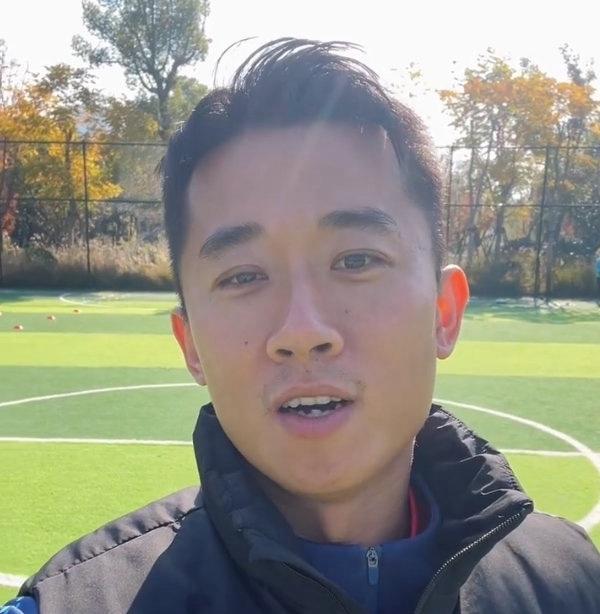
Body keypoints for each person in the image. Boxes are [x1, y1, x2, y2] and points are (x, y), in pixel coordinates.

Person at [3, 38, 600, 614]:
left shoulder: (572, 583)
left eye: (356, 260)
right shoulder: (75, 604)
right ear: (191, 347)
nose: (302, 330)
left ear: (444, 312)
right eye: (243, 276)